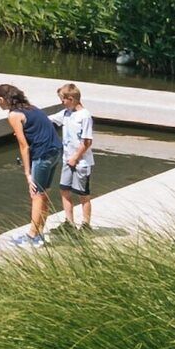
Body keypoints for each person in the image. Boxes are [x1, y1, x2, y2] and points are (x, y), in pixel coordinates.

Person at [0, 81, 62, 246]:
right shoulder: (32, 108)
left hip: (42, 155)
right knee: (44, 193)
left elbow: (23, 146)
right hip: (56, 151)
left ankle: (32, 237)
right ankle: (39, 233)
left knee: (36, 194)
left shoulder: (14, 115)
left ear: (3, 99)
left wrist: (27, 173)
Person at [52, 82, 100, 236]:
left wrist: (75, 157)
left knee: (83, 194)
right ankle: (69, 222)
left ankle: (86, 224)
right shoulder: (66, 113)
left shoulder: (84, 116)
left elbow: (87, 141)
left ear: (71, 98)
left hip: (81, 162)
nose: (62, 103)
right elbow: (49, 119)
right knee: (64, 190)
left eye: (63, 100)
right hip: (67, 159)